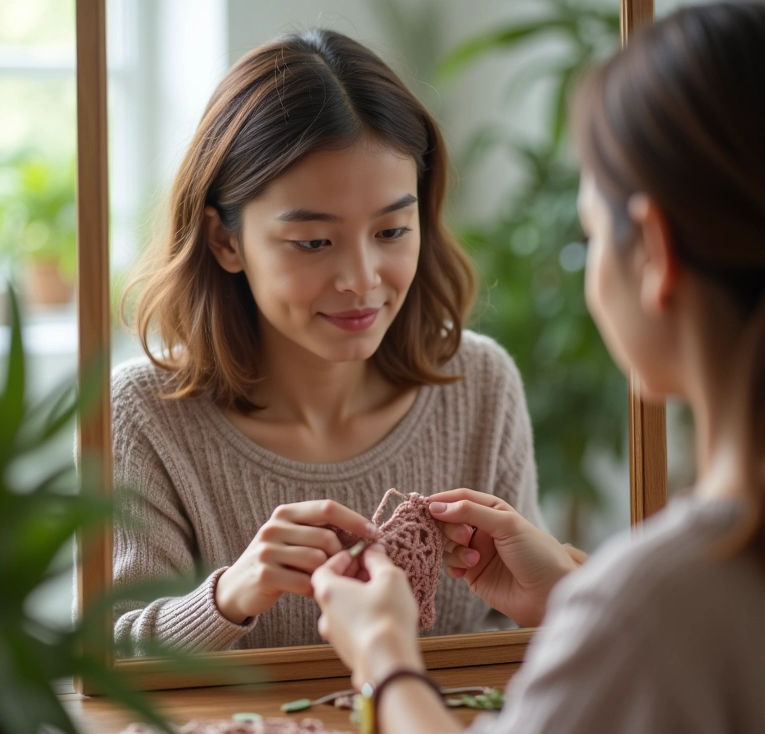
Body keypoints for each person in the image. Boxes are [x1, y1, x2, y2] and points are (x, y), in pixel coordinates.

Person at [312, 3, 765, 734]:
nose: (361, 277)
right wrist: (571, 598)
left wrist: (386, 657)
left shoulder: (665, 600)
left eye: (590, 232)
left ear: (652, 251)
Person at [112, 29, 549, 655]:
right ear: (225, 241)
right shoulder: (143, 413)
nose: (362, 280)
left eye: (393, 231)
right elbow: (104, 663)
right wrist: (229, 596)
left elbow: (516, 647)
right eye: (314, 242)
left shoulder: (483, 386)